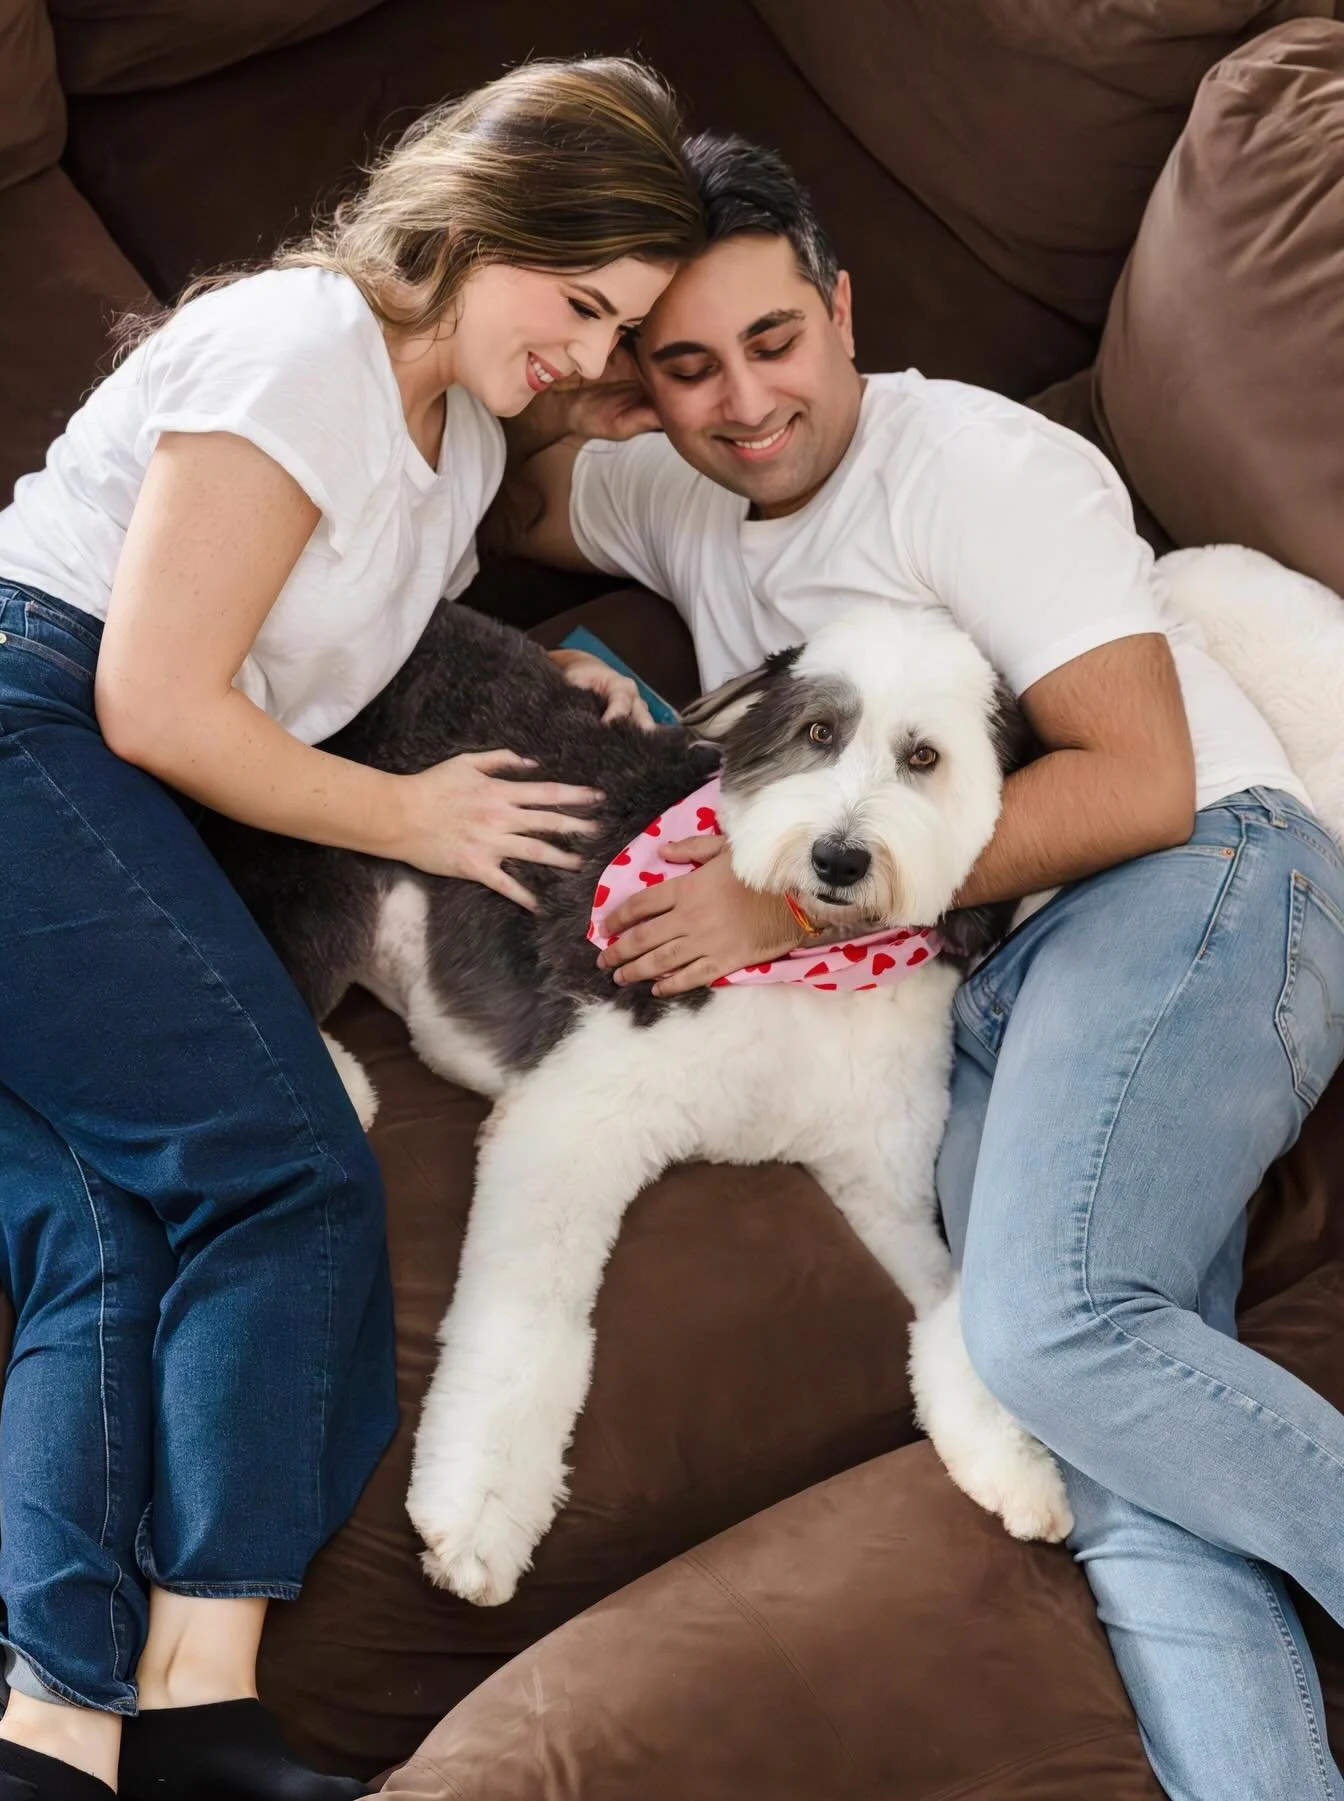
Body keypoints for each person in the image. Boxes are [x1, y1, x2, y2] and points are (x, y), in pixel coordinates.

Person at [492, 131, 1344, 1801]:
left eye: (776, 341)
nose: (745, 402)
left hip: (1199, 881)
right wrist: (573, 404)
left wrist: (798, 911)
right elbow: (506, 488)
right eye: (688, 367)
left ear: (843, 308)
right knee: (1115, 1467)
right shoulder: (685, 475)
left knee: (1047, 1332)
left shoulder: (983, 472)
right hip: (998, 973)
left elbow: (1139, 783)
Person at [0, 58, 703, 1801]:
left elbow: (328, 646)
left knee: (94, 1228)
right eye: (579, 304)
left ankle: (48, 1736)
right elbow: (165, 703)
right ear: (480, 227)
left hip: (5, 798)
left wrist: (549, 662)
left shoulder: (461, 439)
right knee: (287, 1180)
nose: (588, 355)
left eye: (622, 327)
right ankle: (203, 1711)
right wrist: (416, 820)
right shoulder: (302, 350)